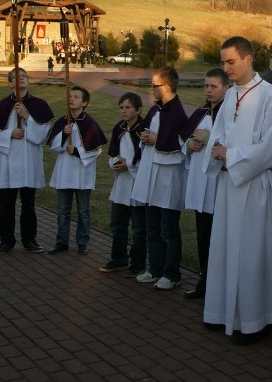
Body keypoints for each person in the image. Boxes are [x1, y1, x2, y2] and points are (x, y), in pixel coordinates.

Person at [203, 36, 272, 345]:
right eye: (224, 62)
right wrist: (216, 147)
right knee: (225, 247)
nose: (226, 68)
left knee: (252, 252)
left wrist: (232, 155)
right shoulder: (229, 96)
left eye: (231, 62)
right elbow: (220, 132)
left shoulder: (270, 96)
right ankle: (222, 311)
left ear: (249, 59)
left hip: (252, 186)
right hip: (230, 186)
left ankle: (255, 320)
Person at [0, 67, 55, 255]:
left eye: (23, 76)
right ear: (10, 84)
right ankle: (6, 241)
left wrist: (27, 117)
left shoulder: (39, 105)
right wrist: (9, 134)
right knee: (6, 204)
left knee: (28, 204)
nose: (20, 79)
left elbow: (44, 134)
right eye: (16, 77)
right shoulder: (1, 106)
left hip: (29, 160)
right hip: (8, 161)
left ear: (28, 81)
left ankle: (29, 240)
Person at [131, 66, 188, 291]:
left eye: (154, 85)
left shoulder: (177, 112)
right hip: (151, 174)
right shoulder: (156, 109)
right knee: (152, 226)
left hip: (168, 177)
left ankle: (172, 273)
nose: (152, 89)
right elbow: (149, 131)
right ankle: (155, 268)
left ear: (166, 86)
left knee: (168, 229)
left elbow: (179, 142)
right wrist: (145, 136)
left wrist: (157, 139)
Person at [181, 68, 229, 299]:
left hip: (219, 185)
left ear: (226, 88)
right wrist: (189, 146)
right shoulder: (200, 112)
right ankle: (204, 279)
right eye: (206, 86)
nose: (208, 90)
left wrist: (208, 140)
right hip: (200, 185)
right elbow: (185, 142)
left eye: (214, 86)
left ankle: (217, 286)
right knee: (202, 235)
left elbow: (232, 144)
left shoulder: (229, 114)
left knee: (217, 238)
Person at [47, 85, 107, 255]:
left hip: (82, 172)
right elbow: (52, 145)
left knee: (83, 210)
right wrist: (64, 134)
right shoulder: (63, 121)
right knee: (63, 209)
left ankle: (82, 241)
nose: (71, 99)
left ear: (85, 102)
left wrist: (78, 152)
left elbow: (96, 149)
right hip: (65, 171)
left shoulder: (90, 123)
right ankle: (61, 241)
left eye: (76, 97)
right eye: (70, 96)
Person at [99, 92, 148, 275]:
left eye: (127, 107)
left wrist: (130, 165)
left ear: (138, 110)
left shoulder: (144, 130)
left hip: (136, 185)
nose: (124, 111)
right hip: (121, 185)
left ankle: (138, 263)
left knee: (138, 228)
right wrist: (115, 163)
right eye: (121, 107)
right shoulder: (119, 128)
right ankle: (119, 258)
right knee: (118, 225)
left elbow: (146, 158)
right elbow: (112, 154)